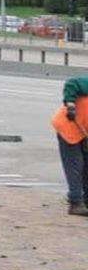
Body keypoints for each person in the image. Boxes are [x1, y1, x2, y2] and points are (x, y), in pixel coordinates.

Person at [52, 76, 88, 215]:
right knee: (76, 166)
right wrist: (71, 105)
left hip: (84, 132)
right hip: (69, 127)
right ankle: (76, 203)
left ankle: (85, 200)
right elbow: (72, 83)